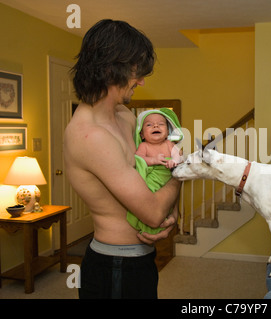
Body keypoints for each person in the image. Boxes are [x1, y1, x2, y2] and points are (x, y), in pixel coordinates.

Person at [64, 19, 181, 299]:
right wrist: (181, 171)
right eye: (135, 71)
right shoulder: (90, 136)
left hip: (141, 260)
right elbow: (152, 210)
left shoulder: (125, 117)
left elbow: (155, 179)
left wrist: (171, 215)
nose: (141, 81)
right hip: (114, 266)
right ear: (109, 68)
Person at [127, 108, 183, 235]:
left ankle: (164, 221)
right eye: (149, 125)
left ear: (167, 131)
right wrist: (153, 160)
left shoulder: (169, 144)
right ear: (141, 134)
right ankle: (146, 223)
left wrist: (174, 160)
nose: (156, 125)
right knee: (149, 198)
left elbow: (179, 155)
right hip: (153, 178)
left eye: (161, 124)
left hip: (167, 178)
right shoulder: (144, 146)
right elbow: (139, 159)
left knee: (168, 203)